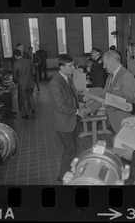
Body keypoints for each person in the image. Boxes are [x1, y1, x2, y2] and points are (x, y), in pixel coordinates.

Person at [48, 55, 87, 184]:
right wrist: (77, 111)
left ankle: (67, 173)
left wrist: (80, 102)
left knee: (72, 149)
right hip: (64, 123)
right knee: (70, 150)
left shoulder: (67, 78)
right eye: (70, 66)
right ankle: (63, 176)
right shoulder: (55, 83)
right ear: (61, 67)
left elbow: (72, 96)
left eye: (73, 65)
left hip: (71, 121)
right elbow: (60, 106)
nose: (73, 68)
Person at [88, 50, 135, 133]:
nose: (103, 67)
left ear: (113, 62)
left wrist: (109, 104)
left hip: (124, 120)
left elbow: (129, 101)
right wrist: (89, 109)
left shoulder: (126, 75)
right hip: (113, 119)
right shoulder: (110, 77)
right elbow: (104, 96)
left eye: (105, 64)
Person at [13, 51, 36, 119]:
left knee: (24, 99)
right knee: (30, 97)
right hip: (30, 82)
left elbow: (14, 76)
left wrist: (15, 81)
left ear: (15, 56)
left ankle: (27, 114)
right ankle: (33, 110)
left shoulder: (16, 63)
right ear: (21, 54)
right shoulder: (29, 61)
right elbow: (34, 72)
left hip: (22, 84)